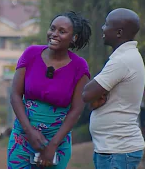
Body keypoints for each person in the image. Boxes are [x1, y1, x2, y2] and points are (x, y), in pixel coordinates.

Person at [8, 11, 92, 168]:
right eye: (52, 29)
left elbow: (76, 110)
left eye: (62, 31)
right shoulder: (31, 54)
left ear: (74, 38)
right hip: (23, 137)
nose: (54, 34)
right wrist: (30, 131)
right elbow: (15, 95)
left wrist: (53, 145)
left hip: (56, 143)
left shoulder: (79, 67)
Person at [82, 8, 145, 169]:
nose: (103, 28)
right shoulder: (124, 57)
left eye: (106, 24)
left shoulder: (122, 60)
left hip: (118, 150)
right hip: (112, 148)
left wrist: (95, 95)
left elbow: (86, 93)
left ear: (119, 32)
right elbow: (95, 98)